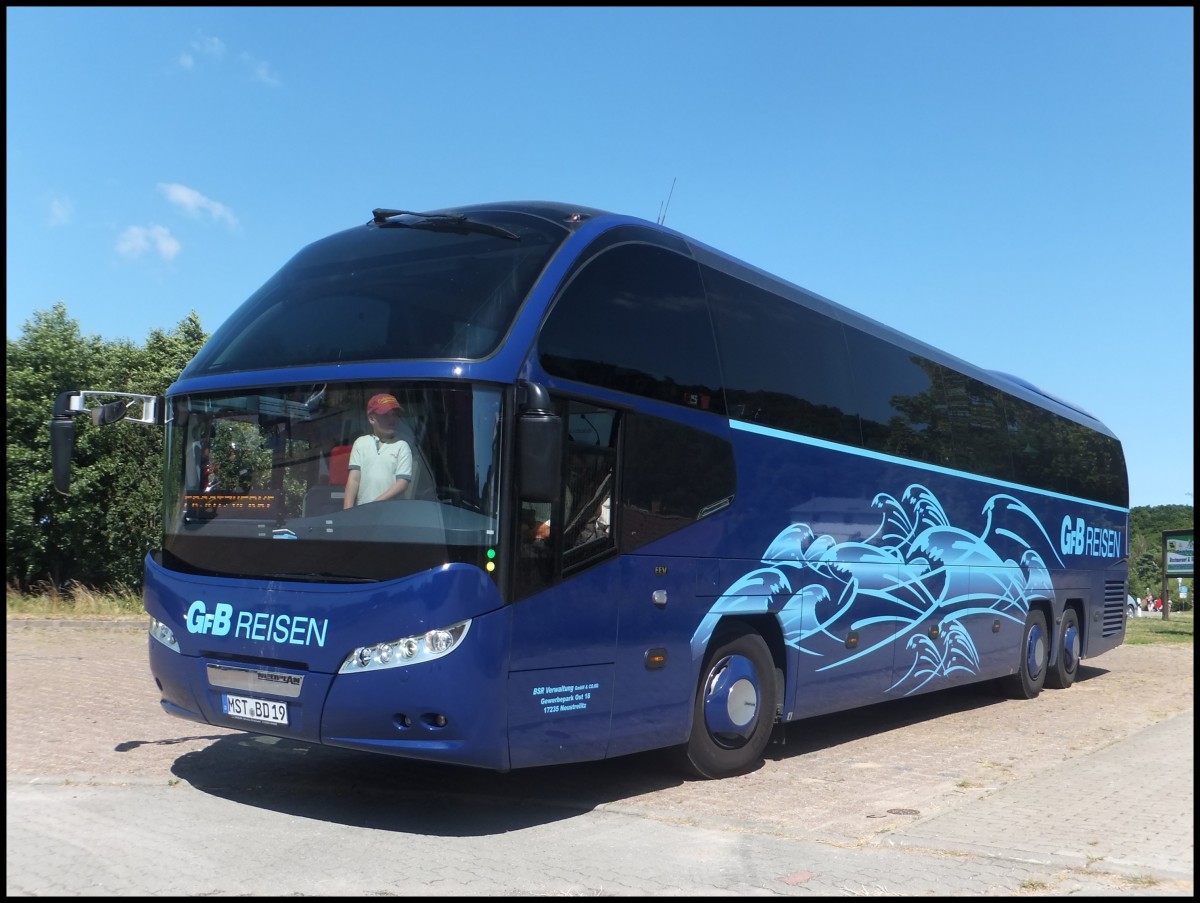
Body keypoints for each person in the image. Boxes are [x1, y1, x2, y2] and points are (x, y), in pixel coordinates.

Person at [343, 394, 413, 508]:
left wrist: (374, 504)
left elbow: (402, 483)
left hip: (391, 513)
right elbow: (354, 479)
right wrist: (347, 510)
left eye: (395, 415)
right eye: (386, 415)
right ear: (371, 419)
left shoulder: (402, 446)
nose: (392, 419)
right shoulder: (360, 443)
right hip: (363, 512)